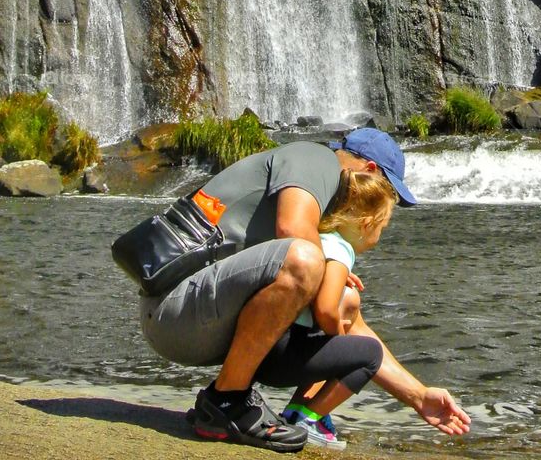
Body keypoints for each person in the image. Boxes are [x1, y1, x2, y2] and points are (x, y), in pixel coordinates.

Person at [137, 128, 470, 450]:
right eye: (388, 190)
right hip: (176, 308)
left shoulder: (323, 219)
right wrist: (329, 276)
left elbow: (351, 323)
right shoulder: (316, 159)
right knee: (304, 259)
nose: (383, 202)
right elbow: (291, 230)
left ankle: (232, 399)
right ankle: (227, 403)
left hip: (194, 316)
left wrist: (417, 395)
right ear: (369, 171)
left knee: (340, 297)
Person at [249, 168, 398, 449]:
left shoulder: (320, 238)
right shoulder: (341, 250)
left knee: (336, 341)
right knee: (369, 354)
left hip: (262, 352)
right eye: (382, 227)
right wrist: (340, 341)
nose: (380, 235)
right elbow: (327, 308)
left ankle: (295, 412)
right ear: (367, 224)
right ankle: (310, 418)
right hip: (284, 356)